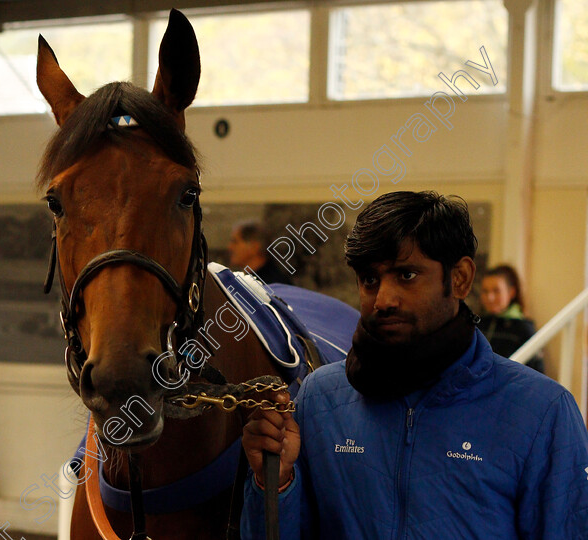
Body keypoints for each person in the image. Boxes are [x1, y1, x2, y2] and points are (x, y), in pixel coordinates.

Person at [241, 191, 588, 539]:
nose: (383, 300)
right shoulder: (321, 398)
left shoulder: (542, 412)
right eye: (369, 279)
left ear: (460, 278)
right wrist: (276, 481)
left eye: (406, 275)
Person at [479, 264, 544, 373]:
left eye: (496, 291)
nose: (490, 297)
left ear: (511, 292)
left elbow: (537, 373)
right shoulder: (478, 323)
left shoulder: (523, 328)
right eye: (485, 291)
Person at [228, 220, 292, 285]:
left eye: (235, 242)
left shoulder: (272, 285)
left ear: (254, 246)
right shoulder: (251, 281)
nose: (230, 247)